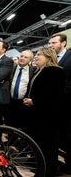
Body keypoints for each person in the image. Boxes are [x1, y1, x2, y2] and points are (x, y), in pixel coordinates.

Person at [23, 47, 65, 177]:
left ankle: (48, 171)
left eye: (39, 55)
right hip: (39, 114)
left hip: (48, 116)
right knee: (40, 145)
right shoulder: (39, 70)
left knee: (48, 146)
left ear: (48, 56)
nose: (35, 57)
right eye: (35, 55)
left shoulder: (54, 71)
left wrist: (34, 101)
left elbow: (52, 94)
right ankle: (42, 169)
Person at [48, 33, 71, 175]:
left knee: (68, 137)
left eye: (54, 43)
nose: (50, 45)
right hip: (52, 106)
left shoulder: (69, 57)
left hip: (67, 104)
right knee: (53, 137)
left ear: (63, 43)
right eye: (49, 43)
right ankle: (53, 166)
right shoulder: (51, 58)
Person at [6, 50, 35, 127]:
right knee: (9, 120)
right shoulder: (12, 68)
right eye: (21, 56)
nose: (22, 58)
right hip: (10, 100)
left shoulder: (33, 70)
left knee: (21, 122)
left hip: (23, 102)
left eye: (26, 57)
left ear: (30, 60)